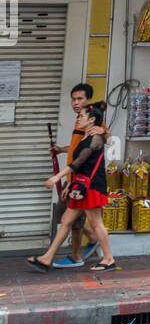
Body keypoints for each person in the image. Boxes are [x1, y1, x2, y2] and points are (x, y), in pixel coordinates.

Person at [27, 103, 116, 272]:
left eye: (81, 116)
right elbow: (79, 166)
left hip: (91, 187)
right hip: (81, 187)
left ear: (91, 120)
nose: (78, 119)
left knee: (96, 223)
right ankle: (46, 258)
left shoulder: (95, 138)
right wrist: (70, 184)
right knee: (67, 221)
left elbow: (78, 163)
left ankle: (108, 259)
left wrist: (57, 177)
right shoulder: (84, 137)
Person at [50, 84, 104, 267]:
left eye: (80, 99)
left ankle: (77, 255)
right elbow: (78, 148)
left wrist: (105, 132)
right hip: (72, 178)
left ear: (88, 100)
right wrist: (61, 150)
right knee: (68, 218)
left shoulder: (91, 119)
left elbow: (100, 140)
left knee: (72, 219)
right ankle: (89, 242)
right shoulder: (79, 120)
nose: (75, 102)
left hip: (81, 180)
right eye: (73, 99)